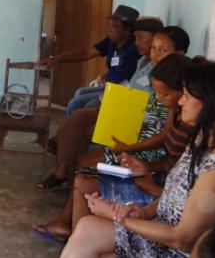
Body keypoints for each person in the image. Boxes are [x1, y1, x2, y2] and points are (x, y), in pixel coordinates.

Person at [57, 61, 215, 258]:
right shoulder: (205, 139)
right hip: (162, 235)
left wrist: (120, 217)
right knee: (87, 227)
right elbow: (178, 195)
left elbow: (182, 239)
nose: (181, 102)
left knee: (100, 255)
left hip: (180, 254)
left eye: (188, 96)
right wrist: (144, 212)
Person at [33, 54, 195, 242]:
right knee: (82, 170)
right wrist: (141, 162)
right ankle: (74, 237)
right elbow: (166, 142)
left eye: (164, 94)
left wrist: (149, 177)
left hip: (161, 186)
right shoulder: (175, 110)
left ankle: (76, 238)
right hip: (152, 170)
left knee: (84, 178)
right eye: (156, 93)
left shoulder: (196, 128)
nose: (158, 98)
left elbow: (181, 182)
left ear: (183, 92)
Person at [42, 5, 140, 117]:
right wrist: (57, 58)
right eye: (108, 25)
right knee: (80, 92)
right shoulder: (111, 42)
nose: (109, 29)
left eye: (114, 26)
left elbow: (129, 80)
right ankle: (71, 130)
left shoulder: (133, 50)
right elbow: (86, 53)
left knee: (76, 104)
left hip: (118, 93)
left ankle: (73, 132)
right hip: (107, 87)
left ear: (127, 31)